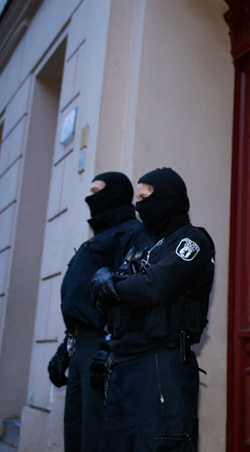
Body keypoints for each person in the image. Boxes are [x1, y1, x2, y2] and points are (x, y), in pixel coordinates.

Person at [90, 167, 215, 452]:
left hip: (160, 365)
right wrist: (114, 288)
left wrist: (114, 286)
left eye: (145, 198)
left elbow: (155, 286)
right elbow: (105, 296)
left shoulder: (192, 241)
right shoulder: (145, 248)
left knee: (157, 443)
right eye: (137, 199)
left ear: (169, 198)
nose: (139, 206)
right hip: (124, 364)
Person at [47, 172, 151, 452]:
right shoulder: (98, 238)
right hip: (80, 344)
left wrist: (109, 345)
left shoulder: (133, 233)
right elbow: (81, 298)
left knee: (97, 429)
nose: (89, 197)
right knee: (75, 427)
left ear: (114, 194)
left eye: (96, 191)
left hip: (104, 345)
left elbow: (135, 293)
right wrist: (65, 348)